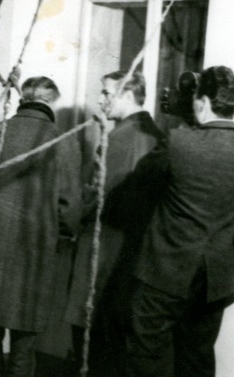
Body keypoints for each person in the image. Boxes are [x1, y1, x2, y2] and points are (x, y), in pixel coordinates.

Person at [111, 66, 234, 377]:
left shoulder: (178, 142)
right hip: (215, 280)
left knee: (146, 357)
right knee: (196, 361)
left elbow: (139, 184)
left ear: (202, 102)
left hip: (165, 273)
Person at [0, 76, 82, 376]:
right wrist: (63, 235)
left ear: (23, 99)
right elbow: (70, 207)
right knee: (24, 345)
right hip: (35, 257)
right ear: (51, 102)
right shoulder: (64, 141)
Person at [63, 71, 164, 375]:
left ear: (128, 95)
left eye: (106, 93)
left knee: (91, 346)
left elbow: (97, 197)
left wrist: (68, 219)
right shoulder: (157, 136)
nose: (100, 100)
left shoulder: (120, 139)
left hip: (102, 253)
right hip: (131, 258)